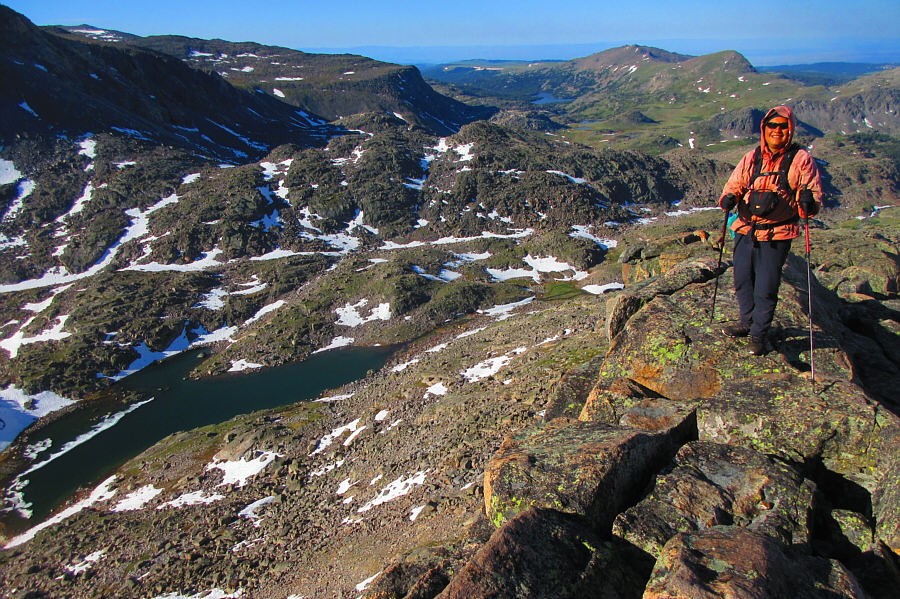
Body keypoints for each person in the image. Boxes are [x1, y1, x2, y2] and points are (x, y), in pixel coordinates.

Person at [717, 105, 823, 355]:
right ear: (765, 129)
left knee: (766, 285)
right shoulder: (752, 157)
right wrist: (729, 198)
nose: (777, 131)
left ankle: (758, 334)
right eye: (772, 126)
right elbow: (734, 184)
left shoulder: (800, 160)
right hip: (745, 228)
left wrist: (808, 202)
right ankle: (746, 322)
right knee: (743, 279)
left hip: (777, 234)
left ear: (791, 130)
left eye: (783, 126)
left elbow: (813, 196)